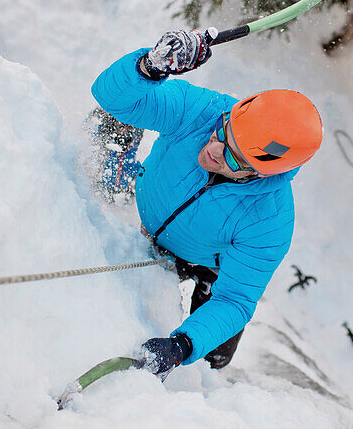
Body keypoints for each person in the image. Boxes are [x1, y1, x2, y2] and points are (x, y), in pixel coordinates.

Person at [91, 29, 323, 378]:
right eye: (223, 132)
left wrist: (182, 345)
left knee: (213, 355)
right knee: (120, 110)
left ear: (261, 173)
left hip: (201, 261)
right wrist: (149, 68)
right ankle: (115, 173)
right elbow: (111, 97)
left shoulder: (269, 221)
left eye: (232, 156)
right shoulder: (202, 111)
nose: (214, 150)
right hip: (148, 201)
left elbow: (235, 301)